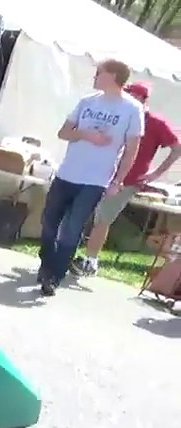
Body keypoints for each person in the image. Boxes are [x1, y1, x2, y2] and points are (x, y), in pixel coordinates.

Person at [36, 59, 143, 296]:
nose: (95, 77)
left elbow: (131, 149)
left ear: (113, 76)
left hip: (95, 179)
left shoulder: (132, 109)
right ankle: (46, 263)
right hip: (67, 173)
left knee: (72, 227)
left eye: (99, 73)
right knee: (49, 221)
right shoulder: (87, 102)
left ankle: (54, 276)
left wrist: (118, 181)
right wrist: (86, 134)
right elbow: (63, 132)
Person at [73, 80, 181, 277]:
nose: (130, 99)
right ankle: (69, 253)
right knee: (81, 212)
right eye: (128, 94)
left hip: (128, 180)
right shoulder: (118, 113)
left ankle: (90, 261)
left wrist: (155, 174)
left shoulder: (156, 123)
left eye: (135, 96)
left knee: (103, 218)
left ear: (144, 100)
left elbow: (177, 148)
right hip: (99, 172)